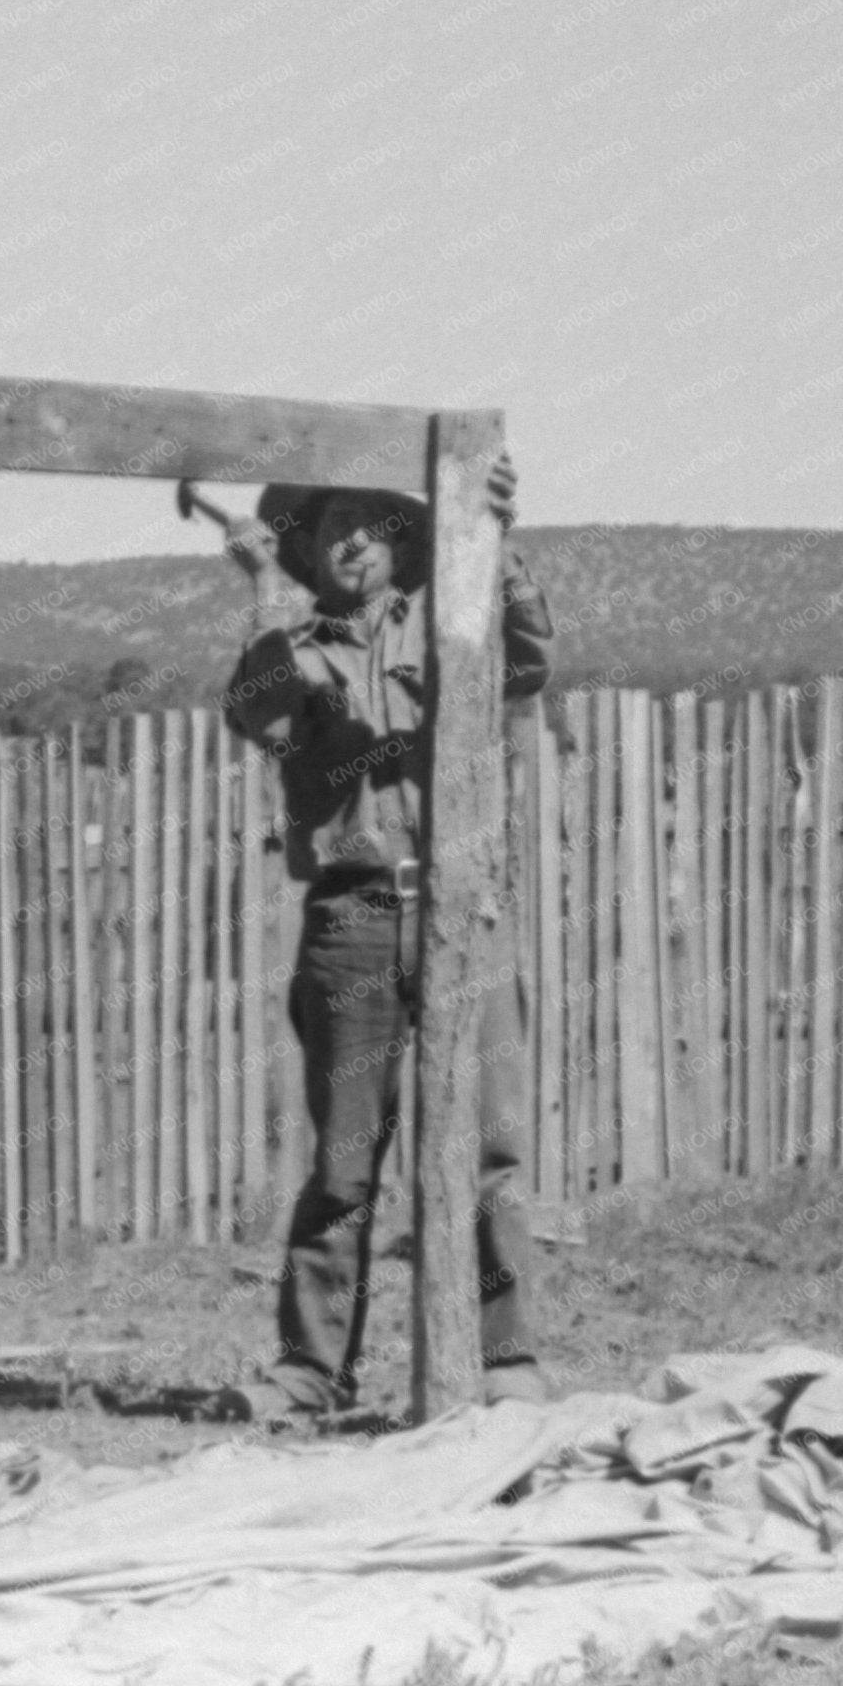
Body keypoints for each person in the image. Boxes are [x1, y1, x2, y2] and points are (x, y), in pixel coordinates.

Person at [219, 468, 554, 1417]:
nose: (355, 541)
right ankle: (309, 1375)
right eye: (334, 528)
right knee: (343, 1164)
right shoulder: (286, 643)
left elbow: (526, 663)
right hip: (354, 920)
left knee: (491, 1149)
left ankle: (506, 1362)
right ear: (306, 551)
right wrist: (261, 601)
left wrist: (494, 532)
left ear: (405, 544)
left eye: (374, 526)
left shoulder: (455, 618)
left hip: (465, 913)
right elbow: (268, 721)